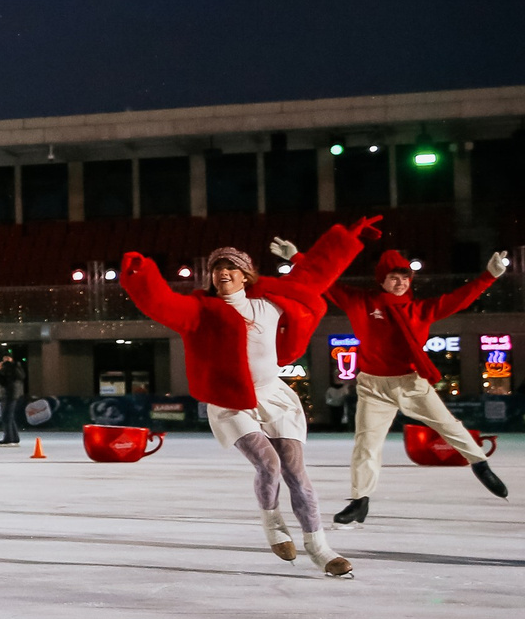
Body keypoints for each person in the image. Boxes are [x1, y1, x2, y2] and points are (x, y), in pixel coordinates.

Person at [120, 220, 377, 577]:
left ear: (245, 275)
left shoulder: (271, 302)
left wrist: (349, 239)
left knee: (297, 473)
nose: (223, 272)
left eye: (231, 267)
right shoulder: (201, 311)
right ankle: (272, 524)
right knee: (268, 463)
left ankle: (320, 547)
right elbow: (162, 303)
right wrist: (141, 273)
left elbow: (316, 274)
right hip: (230, 402)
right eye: (217, 267)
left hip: (274, 395)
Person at [322, 244, 511, 525]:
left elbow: (459, 298)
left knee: (448, 425)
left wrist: (488, 276)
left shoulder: (421, 309)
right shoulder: (360, 301)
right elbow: (323, 281)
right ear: (381, 281)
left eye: (405, 278)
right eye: (393, 278)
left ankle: (480, 465)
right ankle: (360, 500)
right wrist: (298, 259)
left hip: (411, 382)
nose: (400, 283)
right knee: (366, 444)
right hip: (373, 386)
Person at [0, 353, 27, 446]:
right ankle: (14, 437)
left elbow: (20, 376)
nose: (6, 361)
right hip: (5, 394)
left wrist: (9, 366)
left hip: (11, 394)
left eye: (7, 358)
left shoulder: (15, 367)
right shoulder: (3, 369)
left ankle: (8, 438)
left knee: (6, 417)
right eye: (4, 359)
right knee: (9, 417)